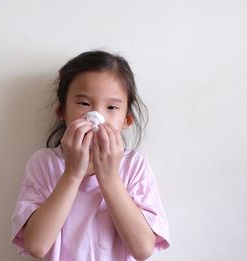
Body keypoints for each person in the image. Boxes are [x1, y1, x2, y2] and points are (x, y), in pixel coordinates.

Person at [11, 50, 170, 260]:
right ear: (62, 112)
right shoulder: (44, 163)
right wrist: (72, 174)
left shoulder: (134, 165)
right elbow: (37, 246)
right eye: (84, 104)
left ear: (126, 121)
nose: (97, 117)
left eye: (112, 107)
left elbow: (142, 249)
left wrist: (110, 178)